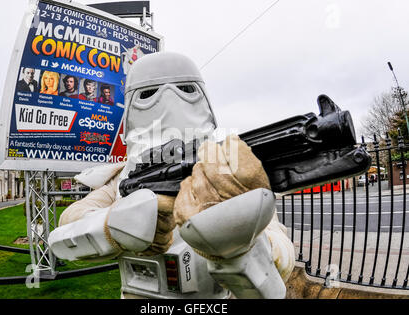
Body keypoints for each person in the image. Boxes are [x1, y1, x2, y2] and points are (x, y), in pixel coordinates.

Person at [48, 52, 295, 299]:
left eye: (184, 90)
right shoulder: (123, 179)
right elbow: (66, 227)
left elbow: (281, 255)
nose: (168, 101)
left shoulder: (224, 172)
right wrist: (114, 227)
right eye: (149, 94)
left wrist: (244, 243)